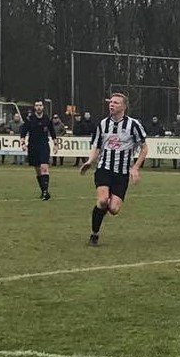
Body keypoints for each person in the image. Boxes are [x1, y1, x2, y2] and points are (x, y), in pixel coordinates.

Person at [79, 93, 148, 246]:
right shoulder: (102, 124)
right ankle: (94, 234)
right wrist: (90, 161)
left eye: (116, 103)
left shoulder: (133, 125)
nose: (112, 105)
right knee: (103, 200)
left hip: (122, 173)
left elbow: (144, 148)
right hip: (104, 169)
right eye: (111, 102)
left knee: (114, 209)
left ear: (124, 107)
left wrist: (135, 168)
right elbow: (97, 146)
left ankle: (102, 211)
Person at [20, 100, 59, 200]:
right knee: (38, 170)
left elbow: (52, 131)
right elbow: (23, 132)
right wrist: (23, 143)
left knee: (44, 167)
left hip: (43, 146)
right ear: (34, 107)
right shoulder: (30, 119)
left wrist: (55, 144)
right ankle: (43, 191)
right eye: (37, 105)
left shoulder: (47, 119)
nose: (38, 107)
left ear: (43, 107)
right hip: (33, 146)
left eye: (40, 105)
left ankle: (46, 192)